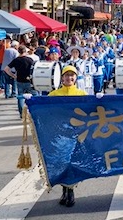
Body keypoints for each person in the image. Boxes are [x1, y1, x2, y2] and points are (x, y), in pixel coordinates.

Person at [48, 65, 87, 207]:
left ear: (76, 78)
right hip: (59, 136)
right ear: (62, 77)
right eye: (66, 75)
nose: (69, 78)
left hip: (75, 135)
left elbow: (89, 112)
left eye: (72, 75)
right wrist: (31, 100)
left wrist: (99, 100)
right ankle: (64, 190)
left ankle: (70, 192)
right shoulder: (53, 95)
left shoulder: (81, 94)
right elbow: (45, 112)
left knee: (71, 163)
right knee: (61, 163)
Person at [4, 45, 37, 117]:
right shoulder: (30, 60)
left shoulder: (16, 60)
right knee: (33, 95)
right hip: (29, 80)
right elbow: (34, 69)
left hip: (19, 80)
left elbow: (6, 69)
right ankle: (34, 110)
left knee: (20, 96)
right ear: (25, 51)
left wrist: (13, 76)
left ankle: (22, 113)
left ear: (18, 51)